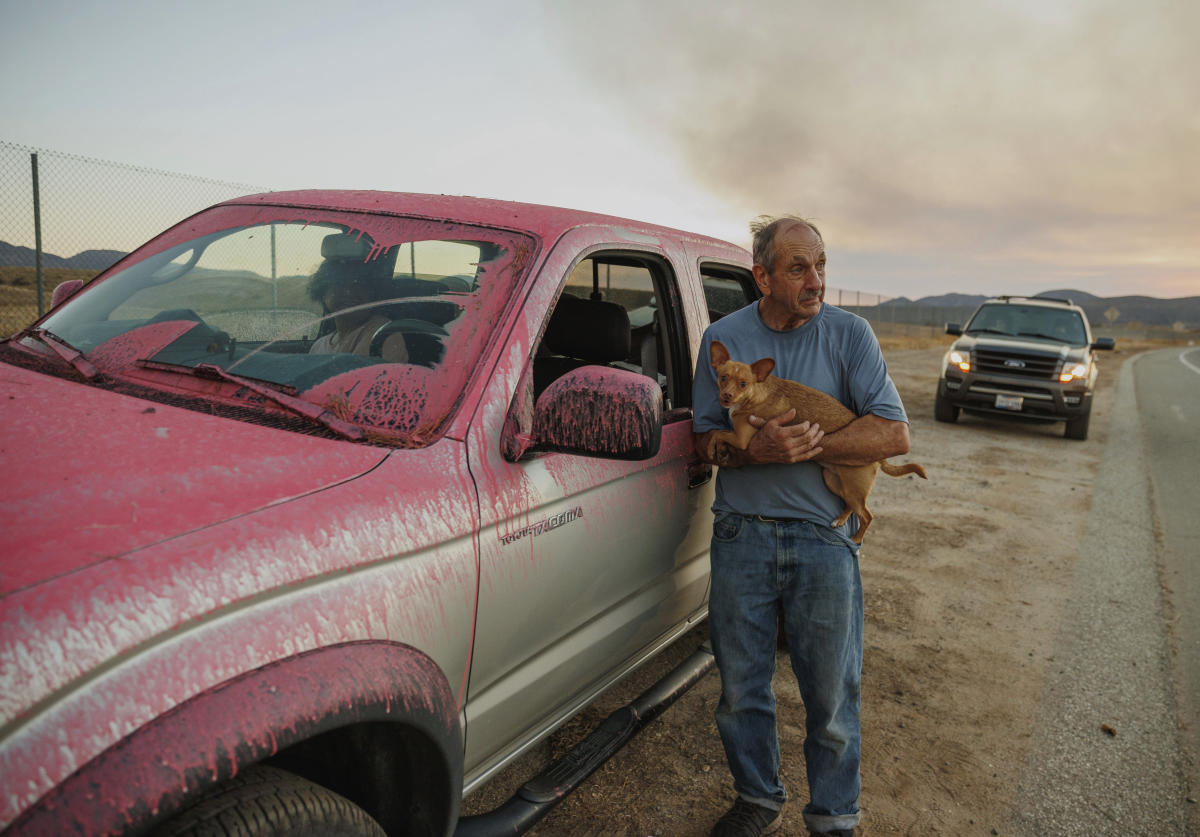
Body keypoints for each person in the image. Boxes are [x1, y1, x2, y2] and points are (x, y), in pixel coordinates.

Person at [692, 216, 912, 837]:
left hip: (823, 539)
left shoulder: (851, 335)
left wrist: (806, 445)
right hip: (742, 533)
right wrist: (751, 453)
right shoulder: (724, 341)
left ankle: (835, 817)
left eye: (820, 265)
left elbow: (893, 433)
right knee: (741, 690)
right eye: (797, 268)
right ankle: (757, 800)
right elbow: (704, 437)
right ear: (761, 275)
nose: (815, 280)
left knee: (833, 698)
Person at [307, 258, 408, 363]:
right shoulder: (318, 346)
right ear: (323, 293)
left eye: (358, 284)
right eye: (339, 283)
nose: (348, 292)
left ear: (372, 293)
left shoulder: (382, 333)